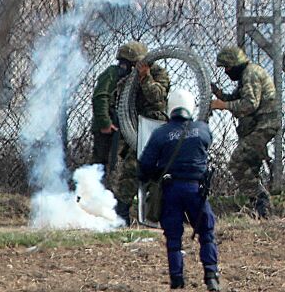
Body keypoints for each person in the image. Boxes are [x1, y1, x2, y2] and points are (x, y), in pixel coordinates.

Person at [138, 88, 220, 291]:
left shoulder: (160, 134)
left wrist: (152, 177)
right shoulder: (202, 129)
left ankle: (177, 280)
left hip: (170, 189)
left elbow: (145, 165)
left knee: (173, 237)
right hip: (196, 190)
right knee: (206, 233)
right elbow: (207, 146)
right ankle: (211, 275)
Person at [209, 46, 278, 218]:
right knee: (250, 166)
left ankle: (260, 198)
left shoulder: (250, 74)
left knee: (237, 163)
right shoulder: (247, 74)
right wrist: (220, 95)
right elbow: (237, 99)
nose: (226, 71)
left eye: (227, 67)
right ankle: (260, 208)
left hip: (263, 126)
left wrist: (224, 105)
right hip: (257, 126)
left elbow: (249, 104)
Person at [112, 62, 171, 225]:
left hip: (155, 126)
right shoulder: (129, 78)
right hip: (137, 127)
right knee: (130, 170)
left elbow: (157, 96)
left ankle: (155, 214)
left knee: (150, 171)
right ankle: (121, 215)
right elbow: (121, 99)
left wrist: (145, 77)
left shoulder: (158, 74)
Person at [90, 42, 148, 194]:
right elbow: (100, 97)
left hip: (123, 129)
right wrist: (105, 122)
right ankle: (89, 196)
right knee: (98, 166)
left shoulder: (135, 79)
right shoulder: (112, 73)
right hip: (106, 128)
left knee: (118, 169)